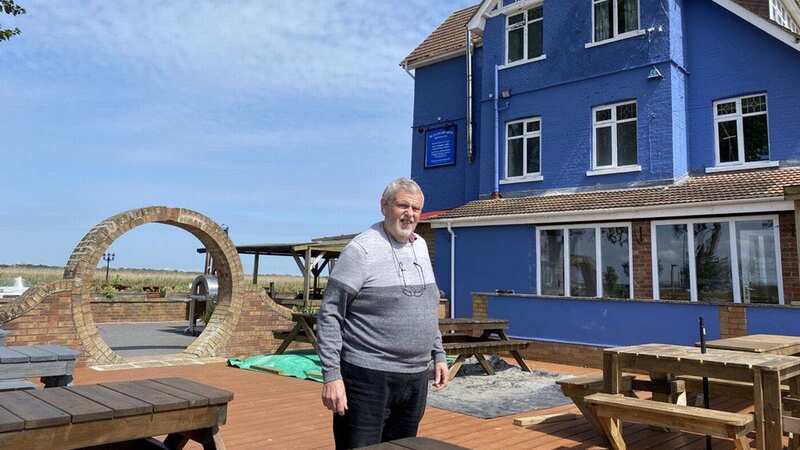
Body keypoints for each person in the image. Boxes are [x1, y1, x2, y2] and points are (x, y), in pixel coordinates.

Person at [316, 177, 449, 450]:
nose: (410, 214)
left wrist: (439, 354)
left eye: (416, 208)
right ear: (384, 206)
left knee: (403, 447)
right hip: (367, 378)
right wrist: (331, 376)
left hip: (415, 378)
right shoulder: (361, 250)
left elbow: (427, 306)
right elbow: (329, 314)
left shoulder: (421, 247)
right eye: (403, 205)